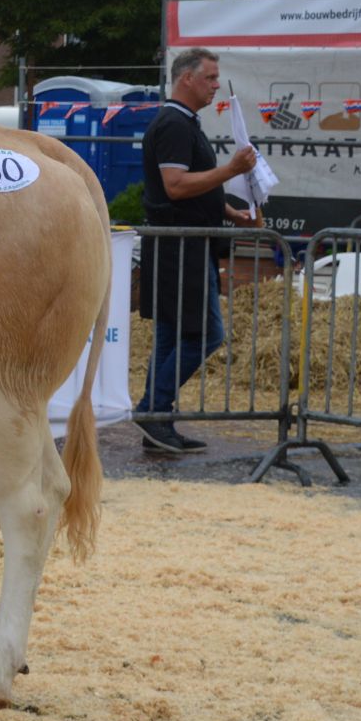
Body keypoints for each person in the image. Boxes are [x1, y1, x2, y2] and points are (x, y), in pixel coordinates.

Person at [134, 47, 259, 454]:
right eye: (209, 77)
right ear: (186, 78)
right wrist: (231, 171)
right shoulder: (174, 124)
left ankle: (158, 420)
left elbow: (189, 185)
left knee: (173, 335)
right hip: (180, 246)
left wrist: (228, 210)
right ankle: (153, 409)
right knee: (207, 334)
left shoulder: (183, 122)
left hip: (185, 242)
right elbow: (175, 185)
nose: (216, 85)